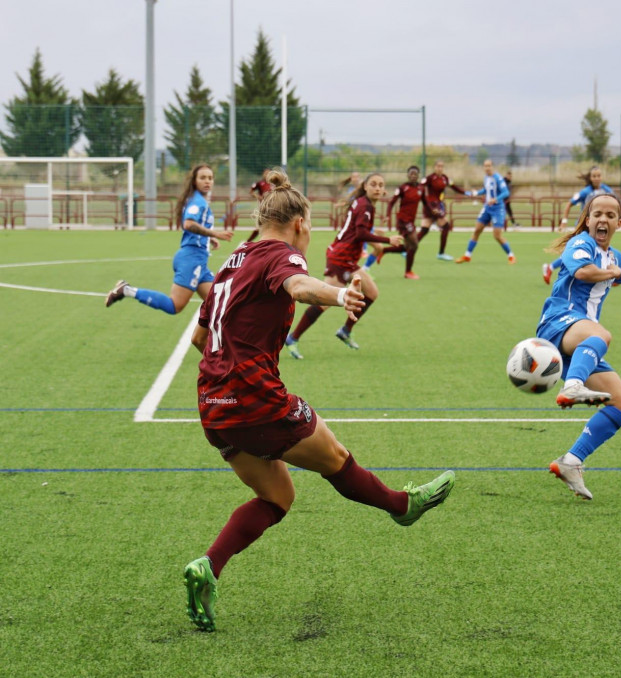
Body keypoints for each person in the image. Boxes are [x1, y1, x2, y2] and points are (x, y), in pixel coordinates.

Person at [182, 169, 454, 632]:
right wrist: (338, 293)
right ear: (300, 223)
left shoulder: (231, 263)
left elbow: (198, 337)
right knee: (336, 460)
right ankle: (401, 507)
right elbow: (299, 287)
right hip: (256, 399)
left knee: (277, 496)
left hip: (212, 403)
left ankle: (208, 565)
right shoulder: (281, 254)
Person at [536, 193, 621, 500]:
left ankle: (571, 461)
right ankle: (574, 385)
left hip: (583, 341)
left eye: (609, 215)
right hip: (559, 321)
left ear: (619, 222)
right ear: (587, 220)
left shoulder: (614, 256)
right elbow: (582, 272)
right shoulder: (582, 244)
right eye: (596, 214)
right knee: (602, 335)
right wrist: (612, 274)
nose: (602, 219)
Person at [284, 172, 402, 357]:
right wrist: (387, 239)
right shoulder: (365, 206)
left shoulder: (364, 203)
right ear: (365, 186)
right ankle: (293, 337)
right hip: (341, 257)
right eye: (374, 184)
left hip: (348, 257)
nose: (378, 188)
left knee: (371, 293)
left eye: (381, 185)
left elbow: (359, 231)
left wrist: (376, 239)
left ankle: (345, 331)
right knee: (324, 301)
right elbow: (360, 234)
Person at [105, 164, 234, 313]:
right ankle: (126, 290)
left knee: (219, 304)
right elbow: (188, 224)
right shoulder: (198, 202)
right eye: (203, 178)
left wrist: (209, 239)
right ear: (194, 181)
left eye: (210, 178)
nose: (207, 181)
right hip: (191, 259)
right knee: (175, 306)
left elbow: (196, 226)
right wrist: (215, 234)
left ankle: (207, 337)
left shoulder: (199, 201)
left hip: (199, 261)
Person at [542, 166, 613, 284]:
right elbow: (569, 203)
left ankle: (608, 273)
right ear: (590, 178)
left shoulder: (607, 190)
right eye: (594, 176)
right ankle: (551, 267)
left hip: (598, 226)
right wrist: (564, 221)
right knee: (580, 251)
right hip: (584, 227)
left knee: (599, 249)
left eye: (598, 176)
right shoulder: (586, 192)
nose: (596, 178)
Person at [364, 165, 424, 279]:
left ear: (418, 176)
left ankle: (384, 251)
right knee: (414, 244)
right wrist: (387, 215)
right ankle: (408, 272)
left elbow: (426, 203)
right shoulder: (403, 188)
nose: (413, 176)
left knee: (407, 247)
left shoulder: (421, 189)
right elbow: (391, 202)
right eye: (411, 174)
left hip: (411, 221)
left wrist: (433, 212)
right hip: (403, 220)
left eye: (415, 174)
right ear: (408, 175)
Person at [455, 159, 515, 264]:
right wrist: (475, 193)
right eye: (485, 166)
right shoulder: (486, 178)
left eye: (489, 166)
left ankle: (511, 256)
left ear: (492, 167)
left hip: (497, 209)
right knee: (477, 230)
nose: (487, 168)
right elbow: (485, 190)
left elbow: (506, 192)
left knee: (497, 235)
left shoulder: (498, 178)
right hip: (487, 208)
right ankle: (467, 255)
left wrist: (495, 199)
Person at [419, 160, 467, 261]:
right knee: (446, 226)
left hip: (437, 205)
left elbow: (455, 187)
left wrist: (466, 193)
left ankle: (406, 249)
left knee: (424, 230)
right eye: (438, 166)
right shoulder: (430, 178)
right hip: (432, 205)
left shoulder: (445, 178)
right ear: (434, 167)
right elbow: (420, 187)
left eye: (442, 166)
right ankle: (441, 253)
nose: (440, 168)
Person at [245, 173, 273, 242]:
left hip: (272, 208)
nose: (266, 175)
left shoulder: (273, 184)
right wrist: (258, 197)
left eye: (268, 173)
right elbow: (251, 191)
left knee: (271, 227)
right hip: (262, 208)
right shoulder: (260, 183)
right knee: (259, 227)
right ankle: (248, 242)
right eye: (265, 173)